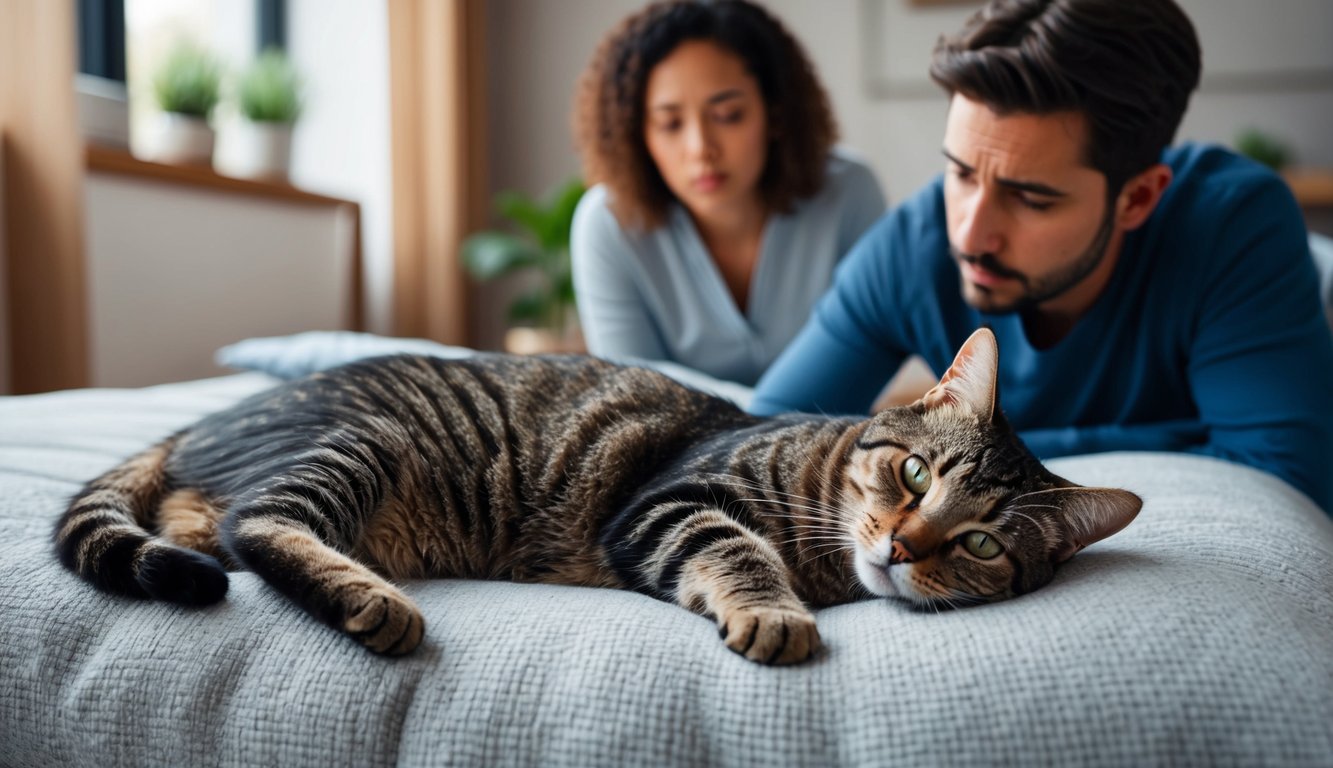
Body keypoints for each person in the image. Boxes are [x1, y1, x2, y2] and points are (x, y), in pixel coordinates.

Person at [749, 0, 1333, 514]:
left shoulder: (1235, 223)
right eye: (959, 172)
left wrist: (969, 454)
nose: (972, 235)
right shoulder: (914, 243)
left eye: (1031, 199)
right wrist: (1186, 436)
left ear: (1138, 197)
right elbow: (765, 435)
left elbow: (1291, 477)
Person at [570, 0, 886, 387]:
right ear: (637, 136)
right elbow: (633, 393)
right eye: (670, 124)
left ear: (775, 112)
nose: (701, 147)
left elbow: (866, 364)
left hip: (835, 446)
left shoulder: (849, 192)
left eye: (728, 116)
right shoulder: (608, 223)